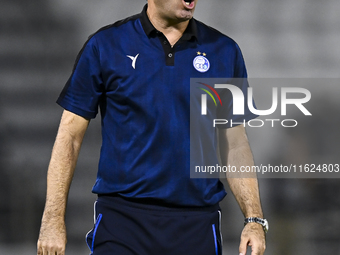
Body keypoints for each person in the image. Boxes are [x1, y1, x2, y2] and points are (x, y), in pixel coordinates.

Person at [37, 0, 267, 254]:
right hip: (122, 223)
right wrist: (52, 220)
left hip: (196, 226)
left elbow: (234, 143)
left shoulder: (224, 50)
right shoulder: (105, 45)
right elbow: (69, 137)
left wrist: (254, 219)